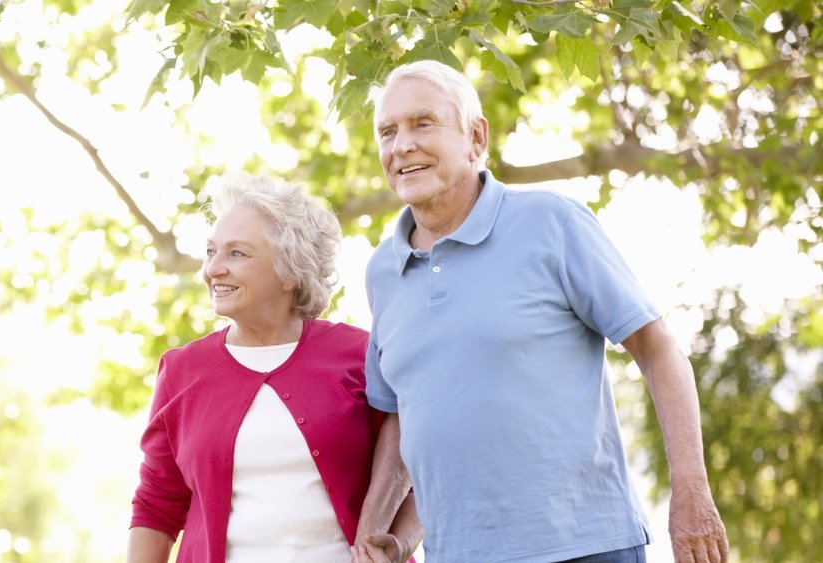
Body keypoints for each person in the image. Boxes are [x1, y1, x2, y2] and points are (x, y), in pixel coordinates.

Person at [356, 60, 730, 562]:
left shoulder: (552, 223)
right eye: (388, 131)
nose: (402, 145)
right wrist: (384, 533)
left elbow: (658, 350)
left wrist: (691, 491)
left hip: (584, 546)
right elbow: (408, 418)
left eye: (423, 123)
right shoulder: (383, 271)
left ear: (475, 136)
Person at [129, 175, 420, 563]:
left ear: (290, 271)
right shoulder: (182, 371)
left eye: (237, 254)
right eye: (211, 251)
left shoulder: (361, 355)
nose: (213, 269)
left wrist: (397, 545)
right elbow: (156, 505)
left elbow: (420, 469)